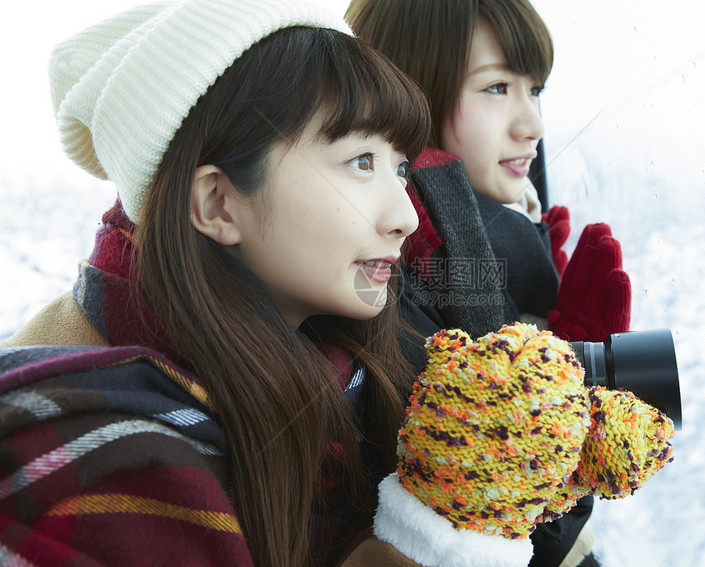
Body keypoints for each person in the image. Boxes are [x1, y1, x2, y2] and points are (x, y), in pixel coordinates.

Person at [0, 0, 432, 564]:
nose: (406, 217)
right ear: (218, 203)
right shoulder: (101, 467)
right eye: (360, 162)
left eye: (400, 167)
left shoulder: (348, 373)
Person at [346, 1, 633, 565]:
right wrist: (574, 400)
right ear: (410, 95)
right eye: (497, 87)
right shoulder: (402, 268)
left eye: (535, 89)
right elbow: (498, 507)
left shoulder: (500, 238)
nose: (533, 124)